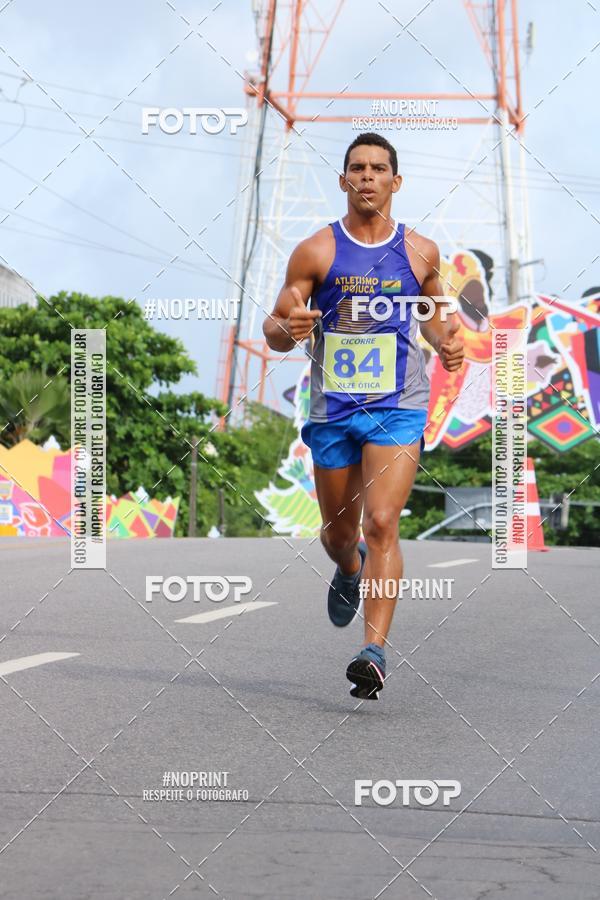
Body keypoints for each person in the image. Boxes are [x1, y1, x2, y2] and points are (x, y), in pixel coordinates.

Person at [263, 133, 464, 699]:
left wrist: (448, 341)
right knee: (338, 534)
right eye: (357, 168)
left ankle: (374, 652)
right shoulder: (316, 252)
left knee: (382, 522)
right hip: (333, 410)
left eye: (379, 169)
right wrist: (289, 329)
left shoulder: (420, 250)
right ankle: (347, 567)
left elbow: (434, 314)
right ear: (343, 179)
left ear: (395, 182)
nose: (368, 176)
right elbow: (275, 329)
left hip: (397, 405)